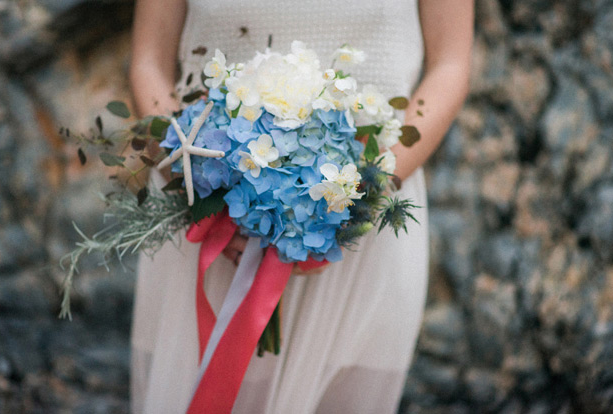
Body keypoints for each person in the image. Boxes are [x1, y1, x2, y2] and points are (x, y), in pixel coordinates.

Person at [128, 0, 473, 413]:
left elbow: (450, 64)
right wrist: (194, 184)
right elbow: (149, 61)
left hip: (363, 234)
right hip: (212, 222)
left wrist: (367, 192)